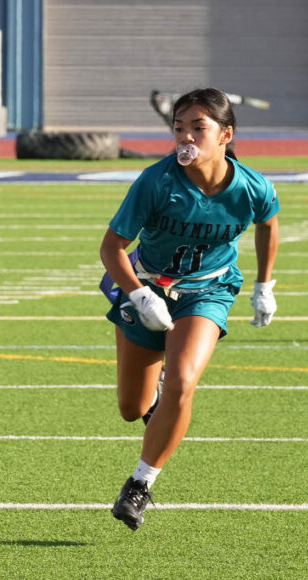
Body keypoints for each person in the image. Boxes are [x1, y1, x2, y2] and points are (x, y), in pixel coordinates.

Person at [99, 88, 279, 531]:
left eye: (198, 128)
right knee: (131, 407)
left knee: (183, 380)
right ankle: (158, 395)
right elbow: (112, 249)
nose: (186, 137)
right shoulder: (157, 180)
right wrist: (139, 295)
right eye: (179, 128)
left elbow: (268, 224)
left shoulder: (253, 186)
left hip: (209, 291)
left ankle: (140, 484)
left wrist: (264, 285)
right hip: (149, 285)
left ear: (226, 135)